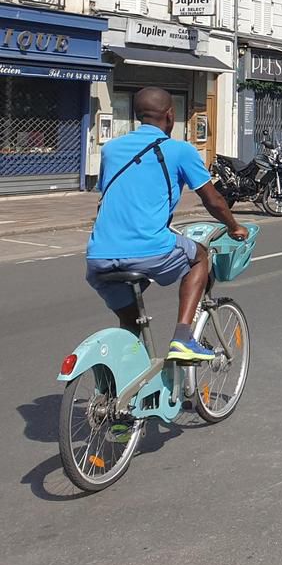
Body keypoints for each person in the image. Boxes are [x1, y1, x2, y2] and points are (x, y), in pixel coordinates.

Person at [86, 87, 248, 362]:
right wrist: (234, 226)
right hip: (150, 249)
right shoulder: (180, 150)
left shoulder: (111, 149)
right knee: (199, 256)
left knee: (132, 324)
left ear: (137, 116)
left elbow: (113, 195)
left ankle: (121, 388)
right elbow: (213, 200)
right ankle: (182, 339)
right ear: (170, 116)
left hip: (98, 257)